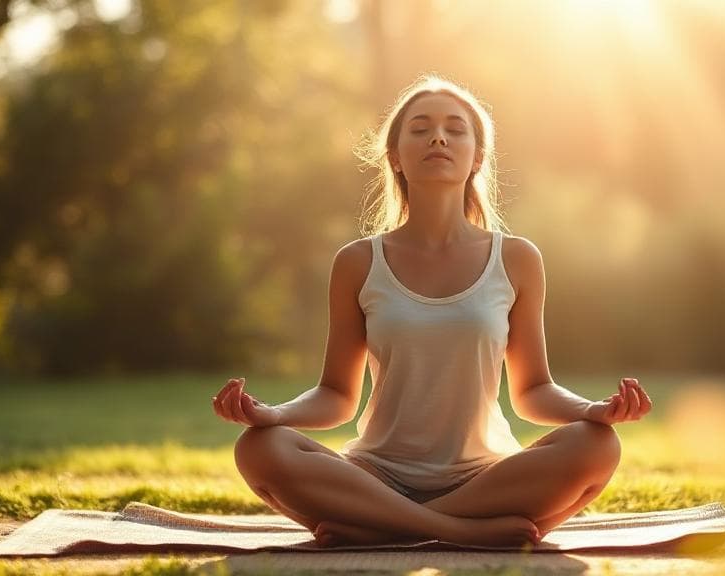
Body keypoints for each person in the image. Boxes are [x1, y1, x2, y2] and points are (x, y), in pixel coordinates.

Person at [211, 74, 653, 548]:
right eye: (420, 128)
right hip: (374, 475)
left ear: (477, 157)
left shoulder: (518, 259)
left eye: (455, 129)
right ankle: (456, 532)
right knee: (260, 448)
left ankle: (377, 527)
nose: (438, 137)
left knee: (597, 444)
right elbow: (336, 395)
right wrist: (272, 415)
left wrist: (593, 409)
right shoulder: (358, 262)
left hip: (485, 479)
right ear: (396, 156)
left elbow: (533, 390)